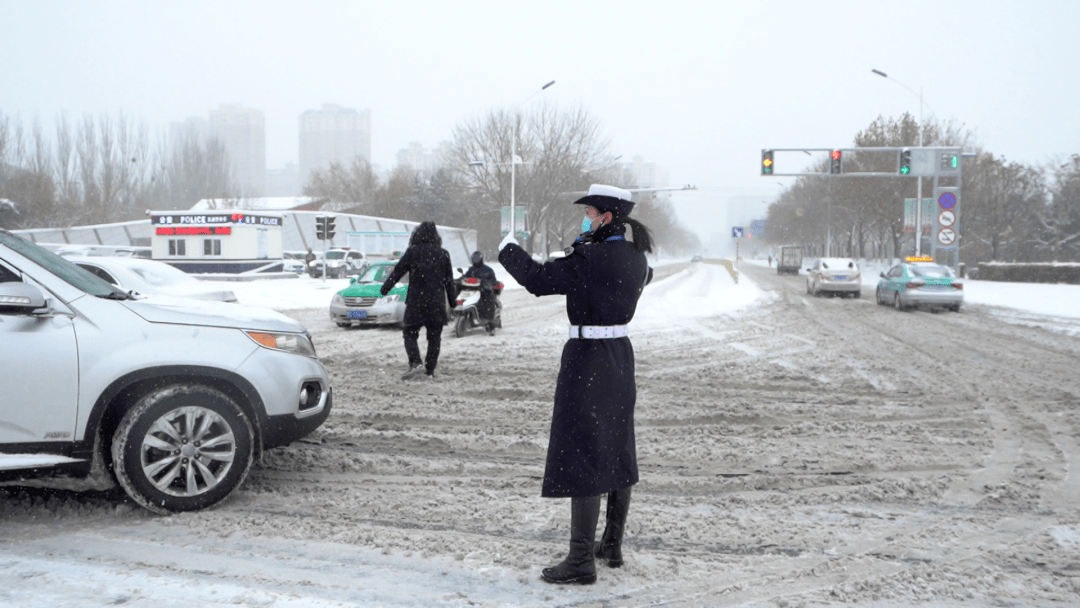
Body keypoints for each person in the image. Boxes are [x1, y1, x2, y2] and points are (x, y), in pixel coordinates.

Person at [497, 184, 653, 585]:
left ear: (605, 217)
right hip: (621, 357)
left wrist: (508, 249)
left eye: (588, 212)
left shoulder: (589, 258)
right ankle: (612, 545)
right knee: (617, 445)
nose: (584, 217)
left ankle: (581, 560)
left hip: (588, 358)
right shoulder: (636, 258)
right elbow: (641, 278)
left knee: (585, 450)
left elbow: (535, 279)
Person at [381, 221, 456, 380]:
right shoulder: (443, 254)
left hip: (416, 302)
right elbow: (449, 281)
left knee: (409, 333)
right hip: (436, 303)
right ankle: (429, 370)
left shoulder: (413, 252)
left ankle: (416, 363)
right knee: (434, 337)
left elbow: (397, 272)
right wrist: (453, 302)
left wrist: (385, 288)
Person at [462, 250, 499, 335]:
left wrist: (487, 284)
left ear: (481, 259)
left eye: (477, 259)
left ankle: (491, 325)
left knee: (487, 303)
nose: (475, 260)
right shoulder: (471, 270)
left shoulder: (488, 270)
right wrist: (459, 280)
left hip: (485, 291)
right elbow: (465, 277)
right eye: (474, 259)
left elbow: (493, 281)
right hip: (473, 290)